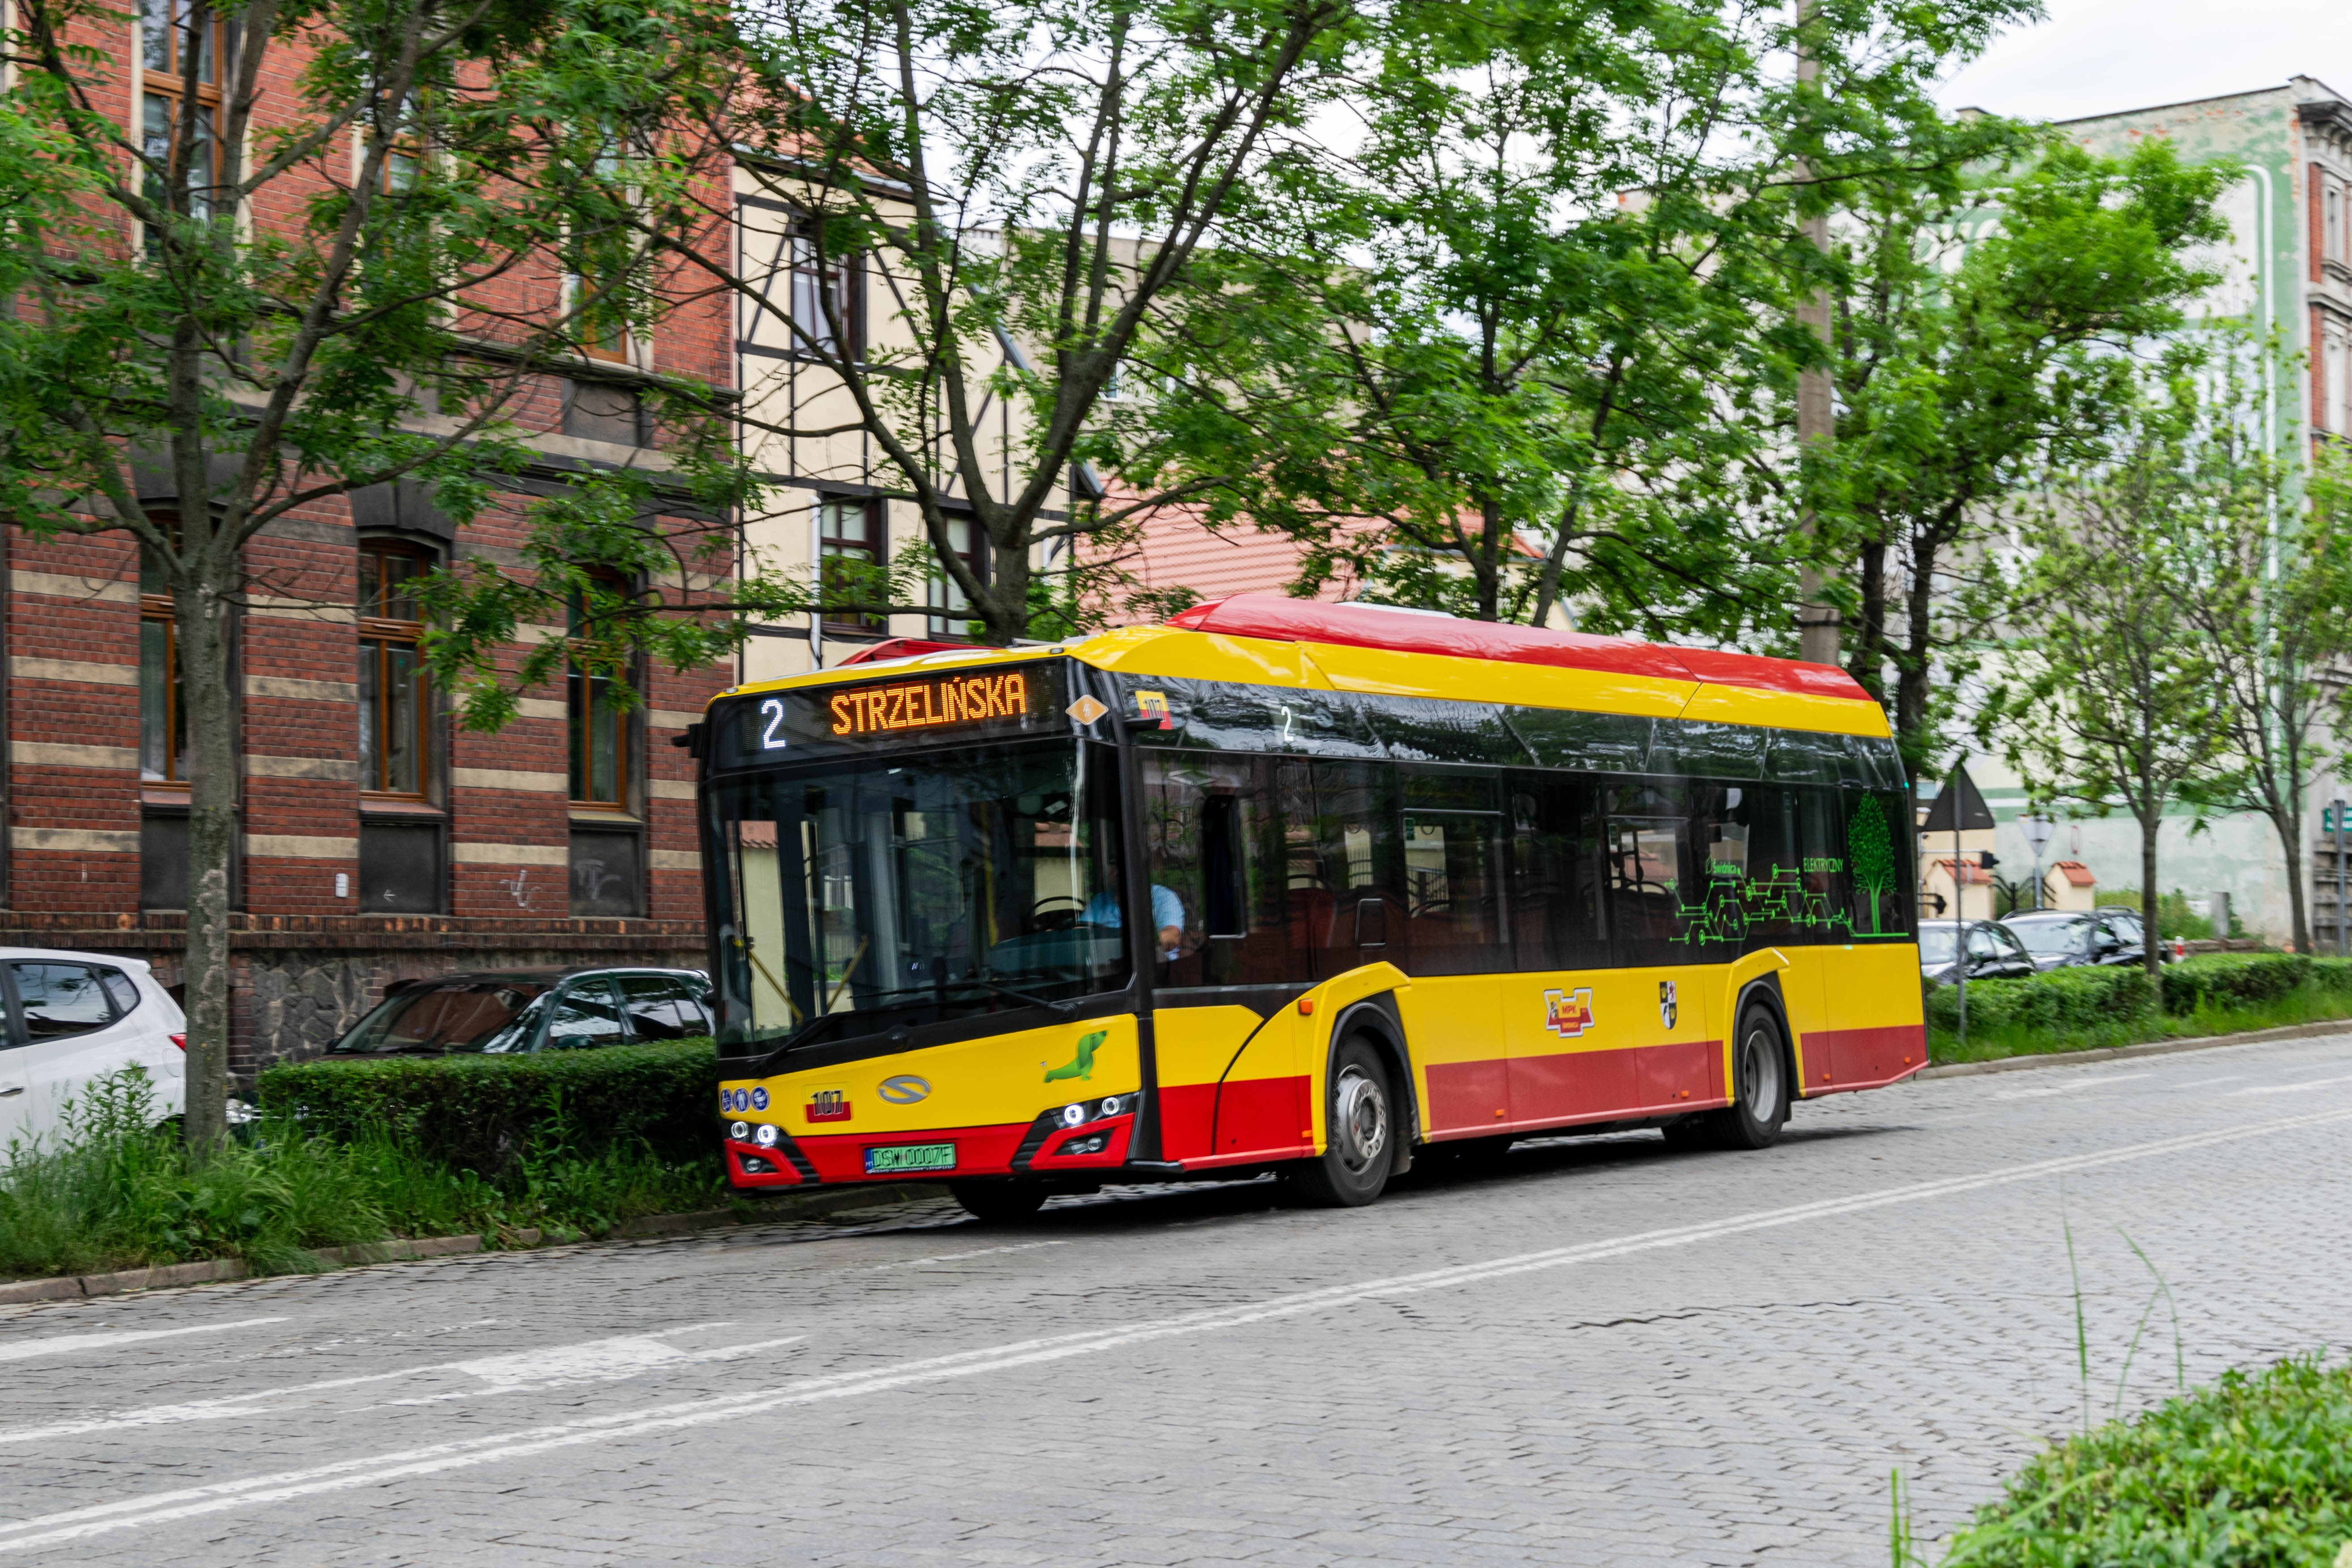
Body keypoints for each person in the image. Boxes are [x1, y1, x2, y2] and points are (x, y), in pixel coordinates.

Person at [1081, 885, 1186, 959]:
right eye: (1113, 862)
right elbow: (1080, 933)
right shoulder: (1100, 901)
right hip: (1106, 969)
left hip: (1156, 971)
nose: (1117, 870)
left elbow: (1172, 937)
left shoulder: (1163, 896)